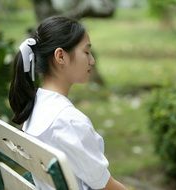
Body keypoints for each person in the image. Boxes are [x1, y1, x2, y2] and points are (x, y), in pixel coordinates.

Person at [9, 16, 127, 190]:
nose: (92, 60)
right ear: (60, 56)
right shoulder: (68, 121)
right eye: (86, 52)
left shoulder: (35, 108)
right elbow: (105, 186)